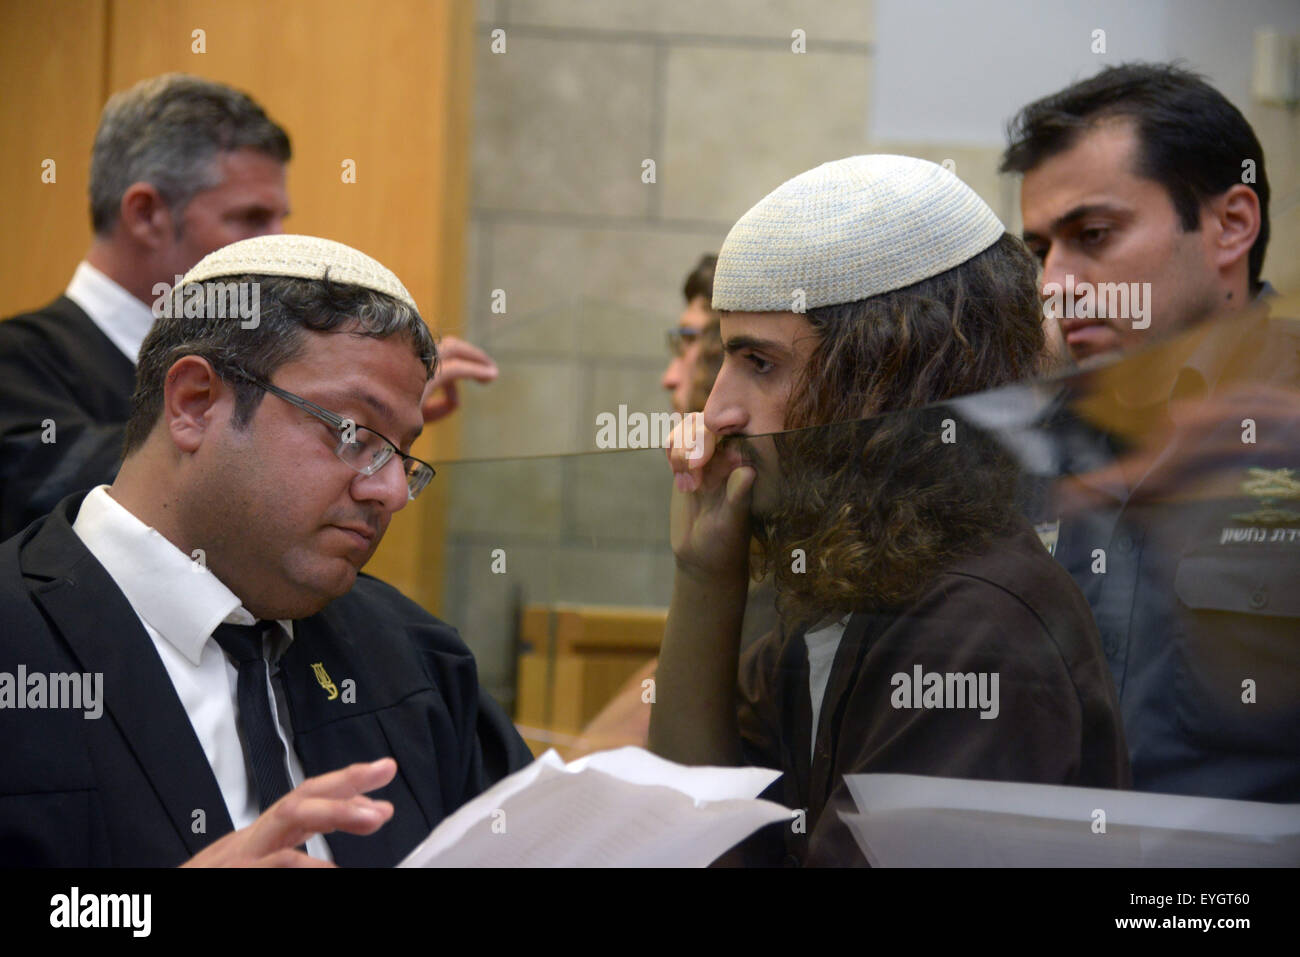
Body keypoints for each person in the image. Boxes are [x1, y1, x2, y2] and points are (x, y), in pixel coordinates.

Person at [648, 155, 1129, 866]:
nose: (716, 408)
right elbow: (691, 832)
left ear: (883, 382)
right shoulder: (859, 588)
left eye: (759, 363)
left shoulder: (977, 626)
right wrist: (702, 578)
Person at [0, 235, 533, 866]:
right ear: (194, 404)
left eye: (402, 453)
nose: (391, 491)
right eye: (353, 433)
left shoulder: (415, 656)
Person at [0, 73, 497, 540]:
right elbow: (74, 500)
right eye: (250, 218)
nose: (277, 246)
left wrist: (370, 408)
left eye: (280, 219)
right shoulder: (15, 361)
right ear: (146, 214)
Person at [1003, 62, 1300, 801]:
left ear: (1231, 224)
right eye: (1041, 250)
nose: (1053, 284)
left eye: (1093, 235)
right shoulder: (1018, 448)